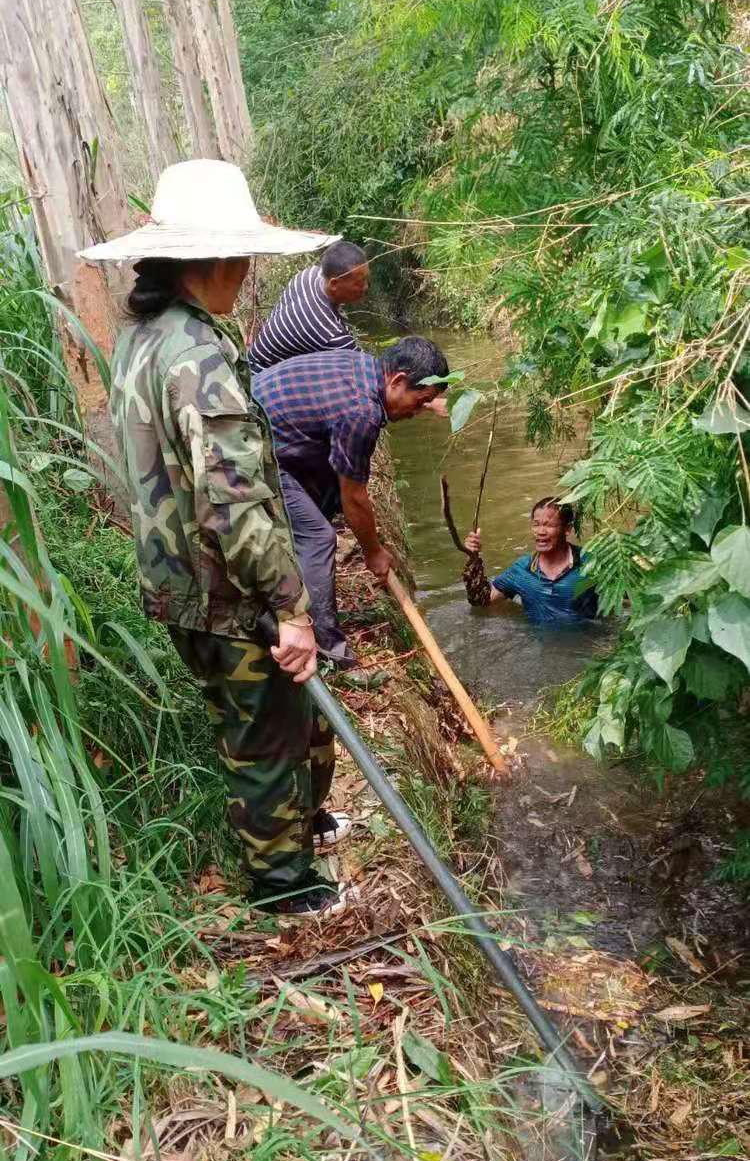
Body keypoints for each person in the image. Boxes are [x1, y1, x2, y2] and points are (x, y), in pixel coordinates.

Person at [80, 158, 354, 917]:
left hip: (173, 582)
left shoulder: (144, 337)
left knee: (266, 722)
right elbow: (233, 507)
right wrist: (291, 605)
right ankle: (284, 886)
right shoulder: (199, 358)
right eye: (244, 259)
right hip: (225, 589)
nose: (248, 273)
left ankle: (305, 830)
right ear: (214, 262)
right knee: (265, 737)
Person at [252, 338, 450, 672]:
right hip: (251, 453)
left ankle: (298, 575)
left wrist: (428, 401)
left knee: (325, 498)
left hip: (270, 432)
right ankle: (330, 652)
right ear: (398, 381)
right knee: (318, 538)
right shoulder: (362, 413)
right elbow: (354, 497)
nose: (416, 413)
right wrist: (373, 551)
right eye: (420, 402)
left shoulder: (363, 368)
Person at [463, 497, 598, 625]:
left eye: (549, 525)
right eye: (536, 525)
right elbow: (483, 601)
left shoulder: (590, 563)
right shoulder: (522, 570)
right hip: (538, 645)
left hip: (588, 644)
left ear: (567, 529)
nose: (540, 531)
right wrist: (472, 559)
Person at [248, 241, 369, 374]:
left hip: (255, 357)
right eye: (359, 283)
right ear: (334, 284)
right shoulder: (329, 333)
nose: (365, 287)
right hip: (262, 377)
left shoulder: (308, 275)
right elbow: (367, 369)